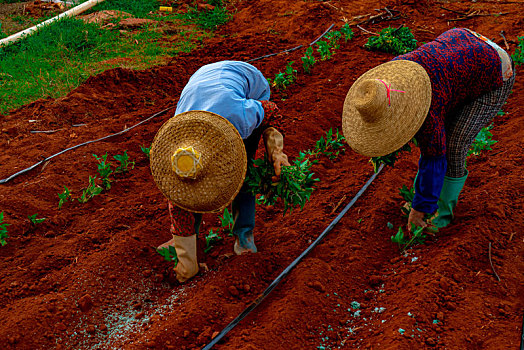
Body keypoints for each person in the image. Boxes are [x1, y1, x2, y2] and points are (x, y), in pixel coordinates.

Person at [342, 28, 515, 231]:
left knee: (454, 145)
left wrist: (419, 209)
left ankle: (441, 213)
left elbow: (434, 157)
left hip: (494, 68)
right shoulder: (387, 80)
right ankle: (428, 201)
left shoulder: (426, 108)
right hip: (463, 45)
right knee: (442, 135)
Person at [149, 61, 290, 282]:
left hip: (246, 86)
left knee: (242, 175)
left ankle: (244, 238)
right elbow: (179, 204)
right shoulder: (176, 140)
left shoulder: (241, 117)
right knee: (187, 190)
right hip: (200, 83)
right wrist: (187, 263)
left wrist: (276, 152)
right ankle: (189, 242)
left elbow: (270, 110)